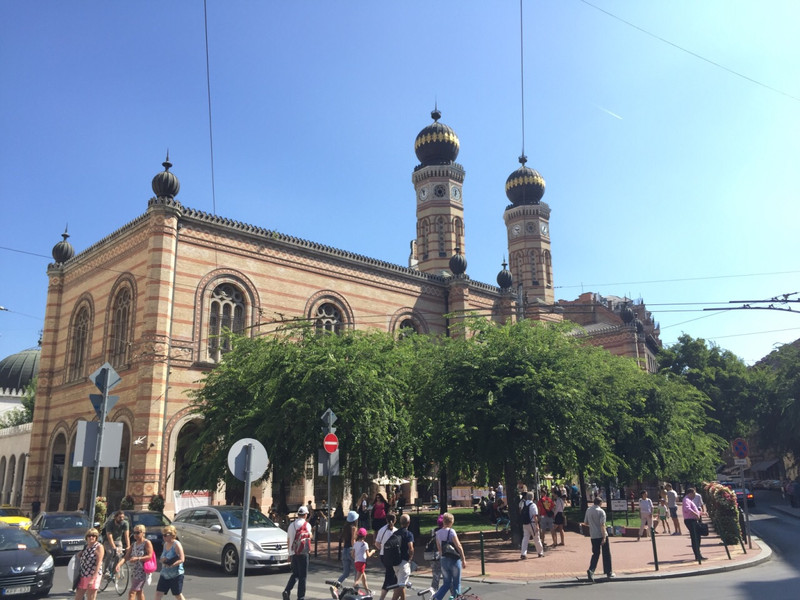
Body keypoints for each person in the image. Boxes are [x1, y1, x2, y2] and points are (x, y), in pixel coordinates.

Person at [433, 512, 466, 600]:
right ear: (451, 522)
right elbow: (458, 546)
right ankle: (456, 598)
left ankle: (436, 598)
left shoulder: (438, 533)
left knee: (446, 583)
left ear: (443, 521)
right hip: (454, 559)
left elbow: (439, 548)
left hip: (443, 560)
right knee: (456, 583)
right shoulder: (452, 532)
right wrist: (463, 559)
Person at [117, 524, 154, 600]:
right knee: (139, 591)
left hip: (142, 571)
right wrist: (119, 565)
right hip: (134, 571)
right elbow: (126, 557)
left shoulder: (147, 543)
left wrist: (138, 558)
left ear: (143, 533)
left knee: (132, 592)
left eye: (138, 533)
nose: (135, 535)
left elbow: (150, 556)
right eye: (134, 532)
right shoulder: (134, 544)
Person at [581, 497, 614, 582]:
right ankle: (608, 571)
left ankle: (591, 570)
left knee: (595, 554)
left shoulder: (588, 510)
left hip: (593, 535)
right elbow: (602, 525)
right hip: (601, 534)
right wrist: (604, 537)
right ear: (600, 503)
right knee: (606, 553)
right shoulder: (601, 511)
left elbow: (585, 522)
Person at [283, 505, 312, 600]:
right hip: (303, 553)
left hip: (293, 553)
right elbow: (310, 537)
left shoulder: (291, 525)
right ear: (305, 515)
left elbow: (288, 540)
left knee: (295, 574)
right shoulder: (307, 525)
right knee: (303, 576)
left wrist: (289, 553)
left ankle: (287, 590)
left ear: (298, 514)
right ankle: (301, 597)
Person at [154, 525, 185, 600]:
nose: (163, 537)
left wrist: (173, 564)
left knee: (177, 595)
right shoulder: (165, 544)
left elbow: (182, 559)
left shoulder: (176, 544)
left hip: (176, 575)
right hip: (164, 574)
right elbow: (162, 558)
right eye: (163, 535)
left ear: (172, 535)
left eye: (165, 535)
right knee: (158, 593)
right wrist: (163, 560)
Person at [75, 528, 104, 600]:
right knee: (78, 596)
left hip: (93, 575)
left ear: (96, 537)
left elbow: (99, 563)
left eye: (93, 536)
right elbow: (81, 556)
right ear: (86, 537)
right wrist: (80, 554)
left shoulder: (99, 547)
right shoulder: (86, 546)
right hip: (84, 574)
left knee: (90, 597)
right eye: (89, 535)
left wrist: (93, 579)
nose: (91, 537)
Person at [391, 514, 415, 600]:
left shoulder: (395, 533)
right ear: (408, 523)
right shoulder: (408, 534)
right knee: (400, 586)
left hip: (395, 562)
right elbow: (411, 548)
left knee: (401, 584)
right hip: (404, 562)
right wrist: (410, 558)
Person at [333, 511, 358, 591]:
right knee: (357, 572)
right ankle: (355, 590)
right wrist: (355, 550)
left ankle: (335, 586)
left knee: (345, 573)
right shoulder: (353, 528)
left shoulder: (345, 528)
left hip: (345, 550)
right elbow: (352, 540)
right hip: (351, 550)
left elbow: (344, 541)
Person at [375, 512, 398, 600]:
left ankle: (398, 596)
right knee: (390, 577)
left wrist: (382, 549)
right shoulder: (396, 531)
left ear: (386, 520)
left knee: (394, 577)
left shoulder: (381, 530)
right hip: (393, 557)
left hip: (384, 556)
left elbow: (377, 543)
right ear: (395, 520)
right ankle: (382, 597)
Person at [104, 510, 130, 576]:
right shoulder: (110, 523)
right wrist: (114, 547)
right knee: (110, 553)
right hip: (108, 541)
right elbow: (109, 536)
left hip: (118, 541)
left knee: (119, 555)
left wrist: (128, 546)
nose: (121, 519)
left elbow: (126, 535)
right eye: (120, 517)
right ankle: (106, 570)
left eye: (123, 517)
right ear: (115, 517)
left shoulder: (125, 523)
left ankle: (114, 570)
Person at [682, 487, 706, 561]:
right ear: (690, 493)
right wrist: (696, 514)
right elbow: (687, 509)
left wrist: (702, 513)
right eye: (694, 494)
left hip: (693, 520)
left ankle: (698, 554)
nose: (694, 496)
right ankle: (697, 555)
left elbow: (694, 510)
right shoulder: (686, 500)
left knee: (697, 537)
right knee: (695, 537)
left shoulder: (689, 500)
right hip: (690, 520)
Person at [519, 491, 544, 559]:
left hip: (525, 523)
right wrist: (537, 525)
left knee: (525, 538)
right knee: (536, 538)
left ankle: (523, 554)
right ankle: (540, 552)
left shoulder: (523, 504)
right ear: (532, 497)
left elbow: (521, 512)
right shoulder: (533, 505)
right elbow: (535, 516)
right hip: (532, 523)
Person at [426, 514, 444, 595]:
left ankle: (433, 593)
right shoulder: (443, 532)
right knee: (447, 576)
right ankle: (454, 595)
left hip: (432, 555)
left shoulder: (433, 531)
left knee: (435, 576)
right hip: (440, 555)